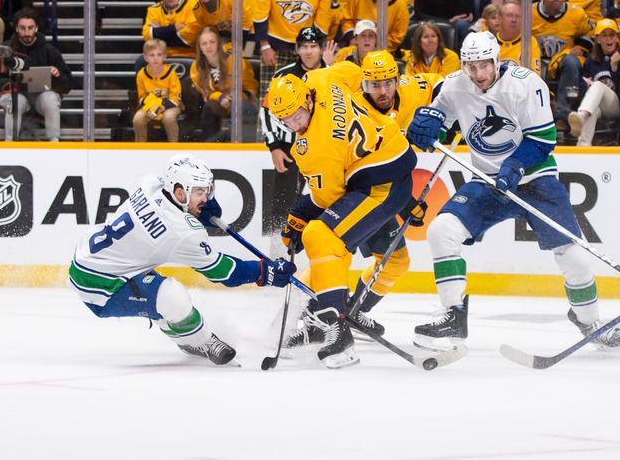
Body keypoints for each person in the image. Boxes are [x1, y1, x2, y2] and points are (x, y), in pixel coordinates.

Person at [405, 31, 620, 352]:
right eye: (471, 67)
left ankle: (590, 321)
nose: (478, 74)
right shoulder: (455, 85)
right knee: (441, 231)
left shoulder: (526, 84)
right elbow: (439, 121)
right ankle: (453, 315)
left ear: (496, 61)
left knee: (575, 258)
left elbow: (542, 140)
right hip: (486, 181)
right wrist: (426, 126)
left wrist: (515, 167)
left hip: (535, 180)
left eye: (484, 65)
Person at [69, 154, 297, 366]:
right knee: (171, 296)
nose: (206, 198)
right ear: (179, 193)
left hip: (88, 258)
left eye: (207, 191)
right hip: (100, 287)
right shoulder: (181, 231)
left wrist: (194, 208)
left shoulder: (149, 185)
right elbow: (223, 273)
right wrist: (263, 272)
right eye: (199, 192)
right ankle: (202, 340)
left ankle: (169, 320)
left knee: (158, 291)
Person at [264, 63, 418, 368]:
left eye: (297, 115)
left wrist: (300, 216)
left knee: (321, 236)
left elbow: (331, 200)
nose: (294, 124)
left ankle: (334, 327)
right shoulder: (321, 78)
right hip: (393, 164)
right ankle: (348, 311)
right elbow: (354, 73)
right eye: (285, 119)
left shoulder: (313, 150)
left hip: (378, 188)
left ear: (307, 100)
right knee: (396, 261)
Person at [260, 26, 332, 244]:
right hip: (290, 149)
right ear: (297, 49)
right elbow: (267, 110)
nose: (309, 52)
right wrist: (274, 147)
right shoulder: (283, 75)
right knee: (281, 205)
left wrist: (328, 68)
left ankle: (319, 251)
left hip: (323, 151)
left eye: (313, 46)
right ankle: (276, 251)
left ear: (321, 49)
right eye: (304, 47)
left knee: (321, 201)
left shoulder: (331, 74)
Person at [0, 7, 72, 142]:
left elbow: (67, 85)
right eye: (23, 28)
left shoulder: (49, 50)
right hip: (14, 95)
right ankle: (10, 143)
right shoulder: (5, 50)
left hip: (40, 98)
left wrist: (57, 75)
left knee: (50, 99)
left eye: (30, 28)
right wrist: (8, 84)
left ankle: (54, 142)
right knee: (15, 101)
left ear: (36, 28)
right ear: (17, 29)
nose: (27, 32)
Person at [532, 0, 594, 132]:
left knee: (572, 62)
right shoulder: (529, 12)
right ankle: (533, 118)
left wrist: (582, 47)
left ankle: (562, 117)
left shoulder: (577, 13)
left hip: (563, 62)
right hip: (536, 61)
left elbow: (591, 35)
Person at [185, 27, 259, 142]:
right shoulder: (196, 67)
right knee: (209, 107)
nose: (208, 46)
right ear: (200, 48)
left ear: (219, 44)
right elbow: (206, 93)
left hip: (242, 101)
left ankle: (245, 145)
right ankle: (209, 145)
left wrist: (237, 97)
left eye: (212, 42)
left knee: (244, 107)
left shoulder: (236, 61)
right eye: (204, 43)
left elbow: (251, 90)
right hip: (218, 102)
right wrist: (220, 97)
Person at [567, 18, 620, 146]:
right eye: (604, 36)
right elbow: (581, 82)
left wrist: (614, 68)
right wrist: (587, 87)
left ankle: (581, 117)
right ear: (598, 39)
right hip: (597, 106)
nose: (609, 39)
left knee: (598, 85)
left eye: (612, 35)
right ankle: (582, 148)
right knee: (591, 111)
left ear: (617, 38)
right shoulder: (591, 59)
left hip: (615, 105)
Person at [139, 0, 201, 72]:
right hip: (161, 56)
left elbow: (189, 39)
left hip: (191, 55)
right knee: (141, 61)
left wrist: (160, 31)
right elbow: (148, 36)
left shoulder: (195, 5)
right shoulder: (153, 10)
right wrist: (174, 28)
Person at [341, 0, 410, 54]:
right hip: (355, 47)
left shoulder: (400, 5)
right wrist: (352, 38)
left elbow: (397, 37)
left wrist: (372, 45)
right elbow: (347, 19)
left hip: (382, 52)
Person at [133, 39, 183, 143]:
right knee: (138, 118)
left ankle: (173, 145)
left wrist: (162, 107)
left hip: (171, 106)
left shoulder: (171, 74)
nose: (156, 58)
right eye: (152, 55)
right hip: (150, 106)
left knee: (168, 118)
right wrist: (153, 108)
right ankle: (140, 147)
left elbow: (175, 97)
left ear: (164, 56)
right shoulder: (141, 75)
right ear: (145, 57)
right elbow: (142, 97)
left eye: (159, 55)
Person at [495, 0, 542, 74]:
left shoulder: (529, 42)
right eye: (509, 15)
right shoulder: (488, 41)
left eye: (518, 16)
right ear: (499, 19)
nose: (514, 20)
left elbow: (535, 76)